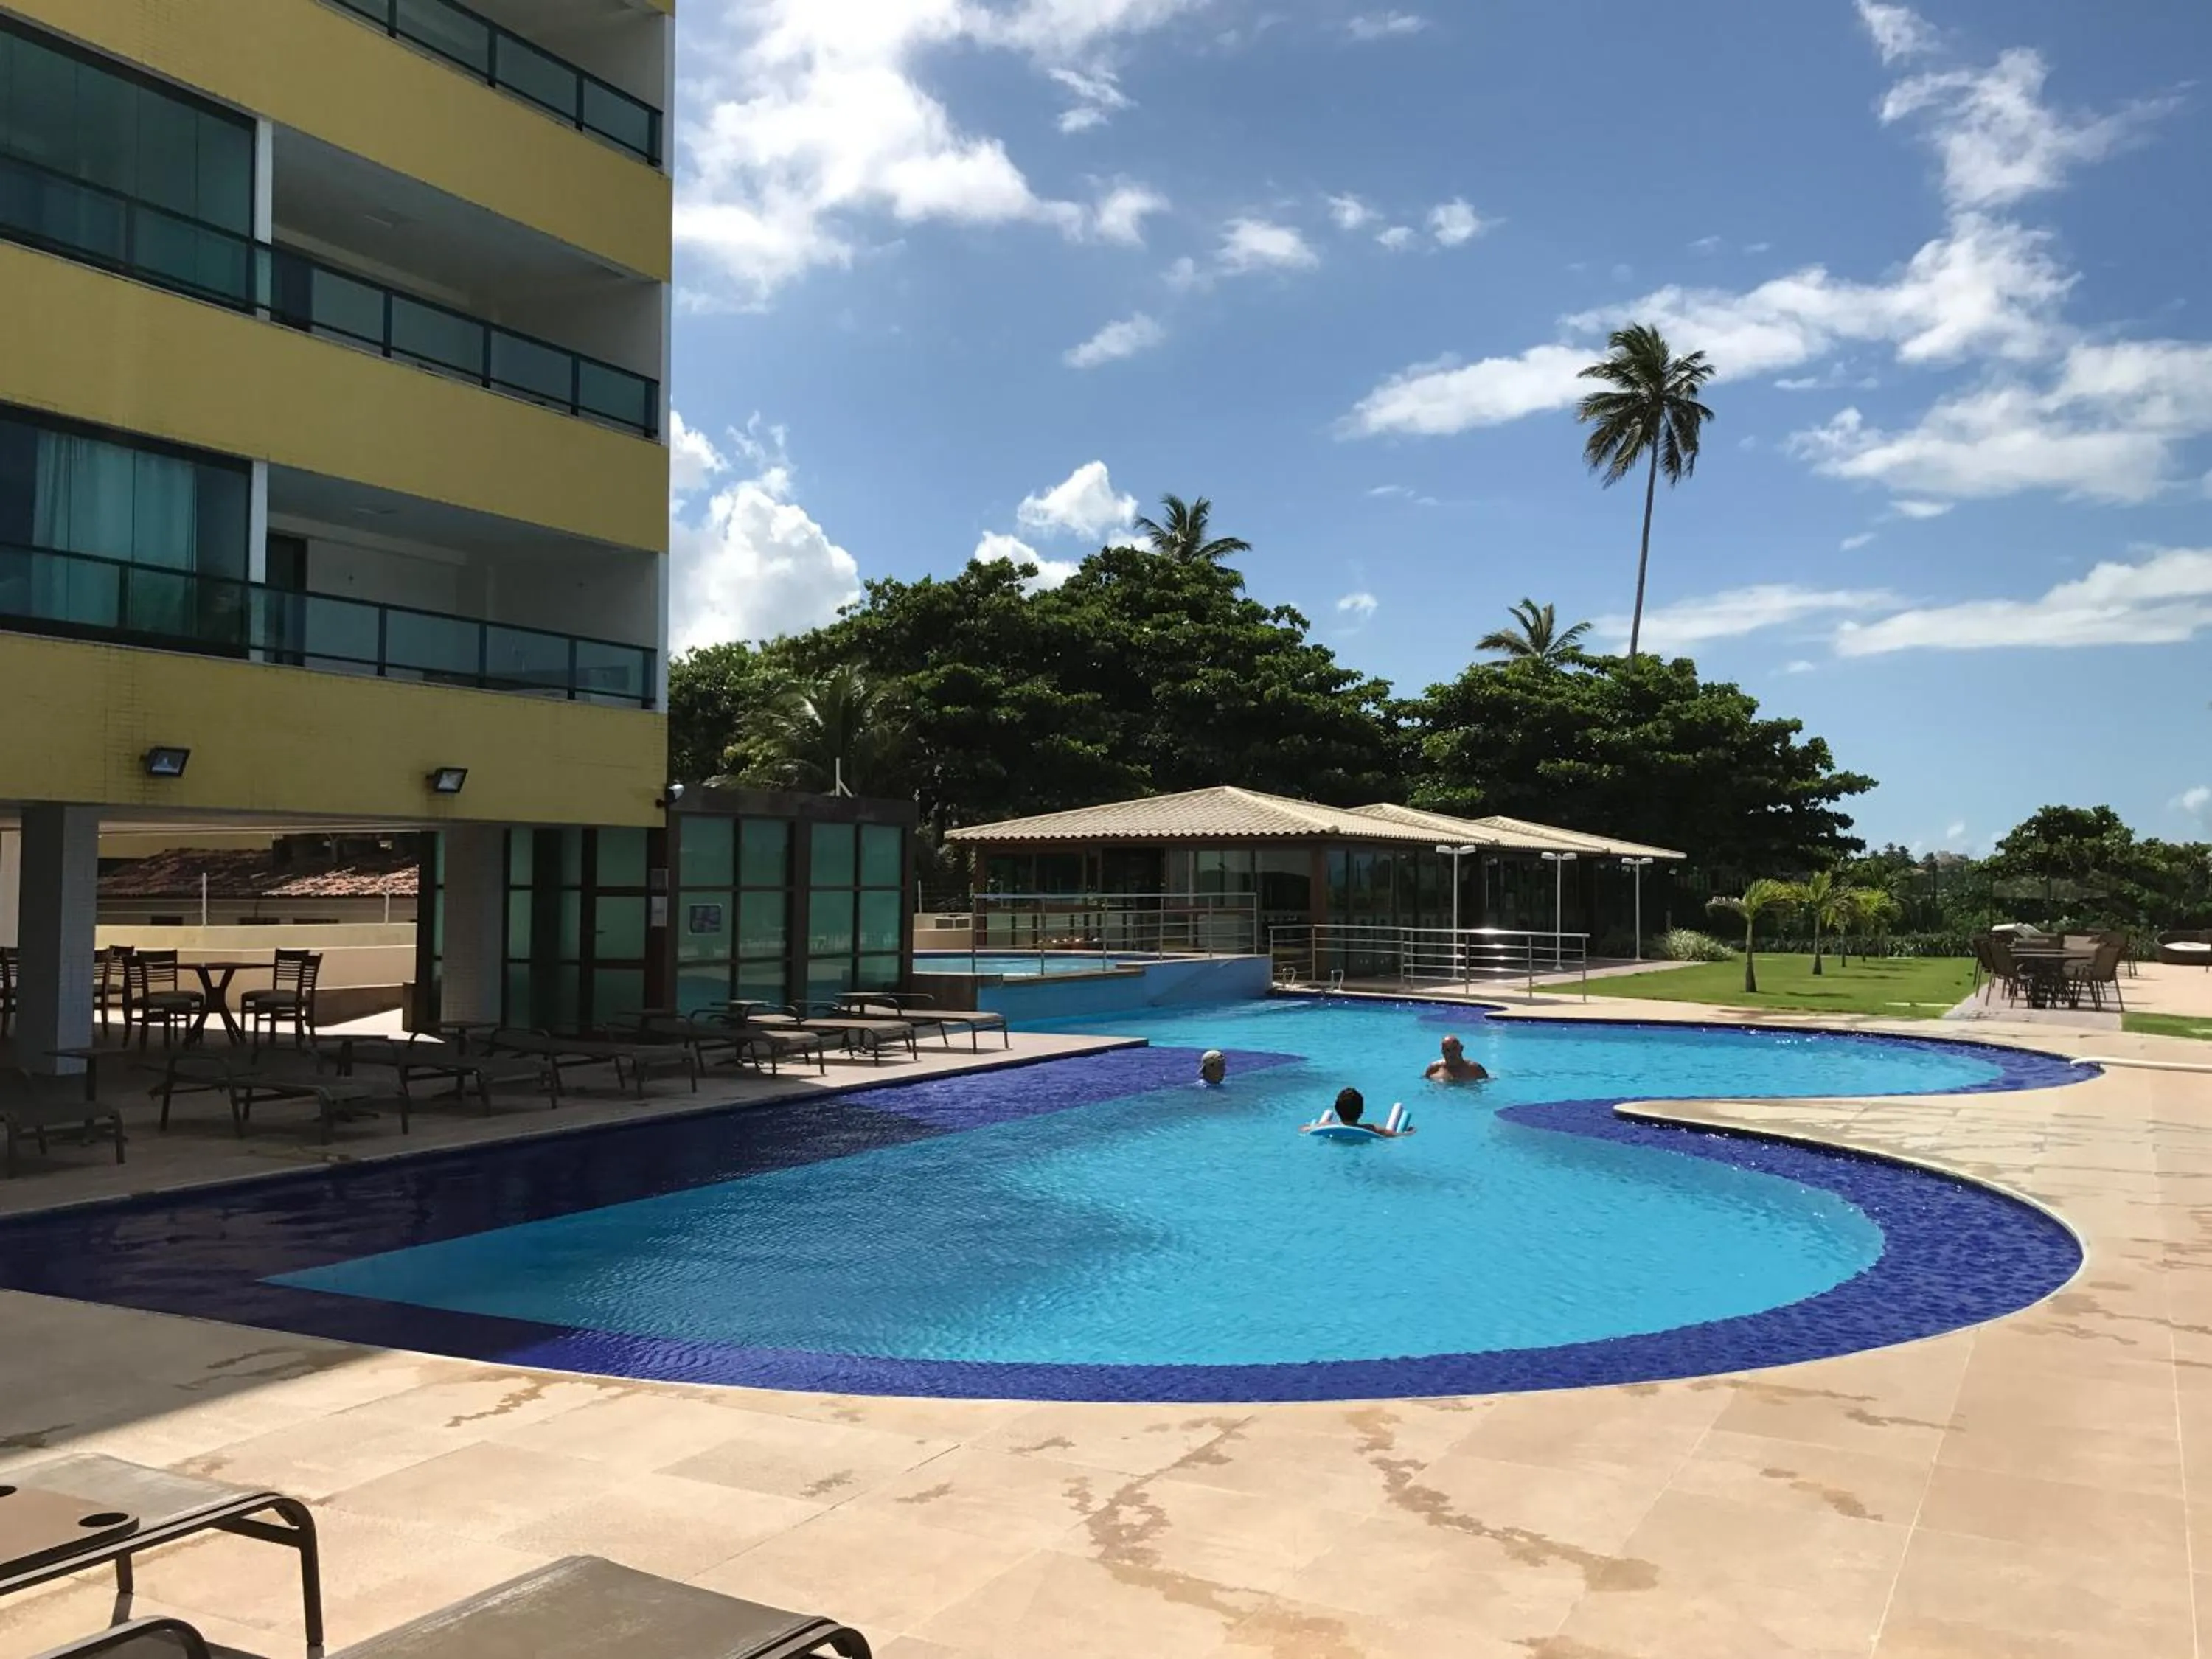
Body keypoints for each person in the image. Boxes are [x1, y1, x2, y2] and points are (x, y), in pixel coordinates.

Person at [1301, 1087, 1415, 1138]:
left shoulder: (1328, 1126)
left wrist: (1309, 1126)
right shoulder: (1372, 1129)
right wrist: (1409, 1132)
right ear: (1361, 1111)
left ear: (1336, 1110)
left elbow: (1304, 1129)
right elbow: (1396, 1135)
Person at [1423, 1034, 1490, 1084]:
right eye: (1447, 1050)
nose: (1451, 1054)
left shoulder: (1475, 1069)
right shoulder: (1434, 1069)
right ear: (1442, 1052)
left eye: (1454, 1049)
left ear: (1461, 1049)